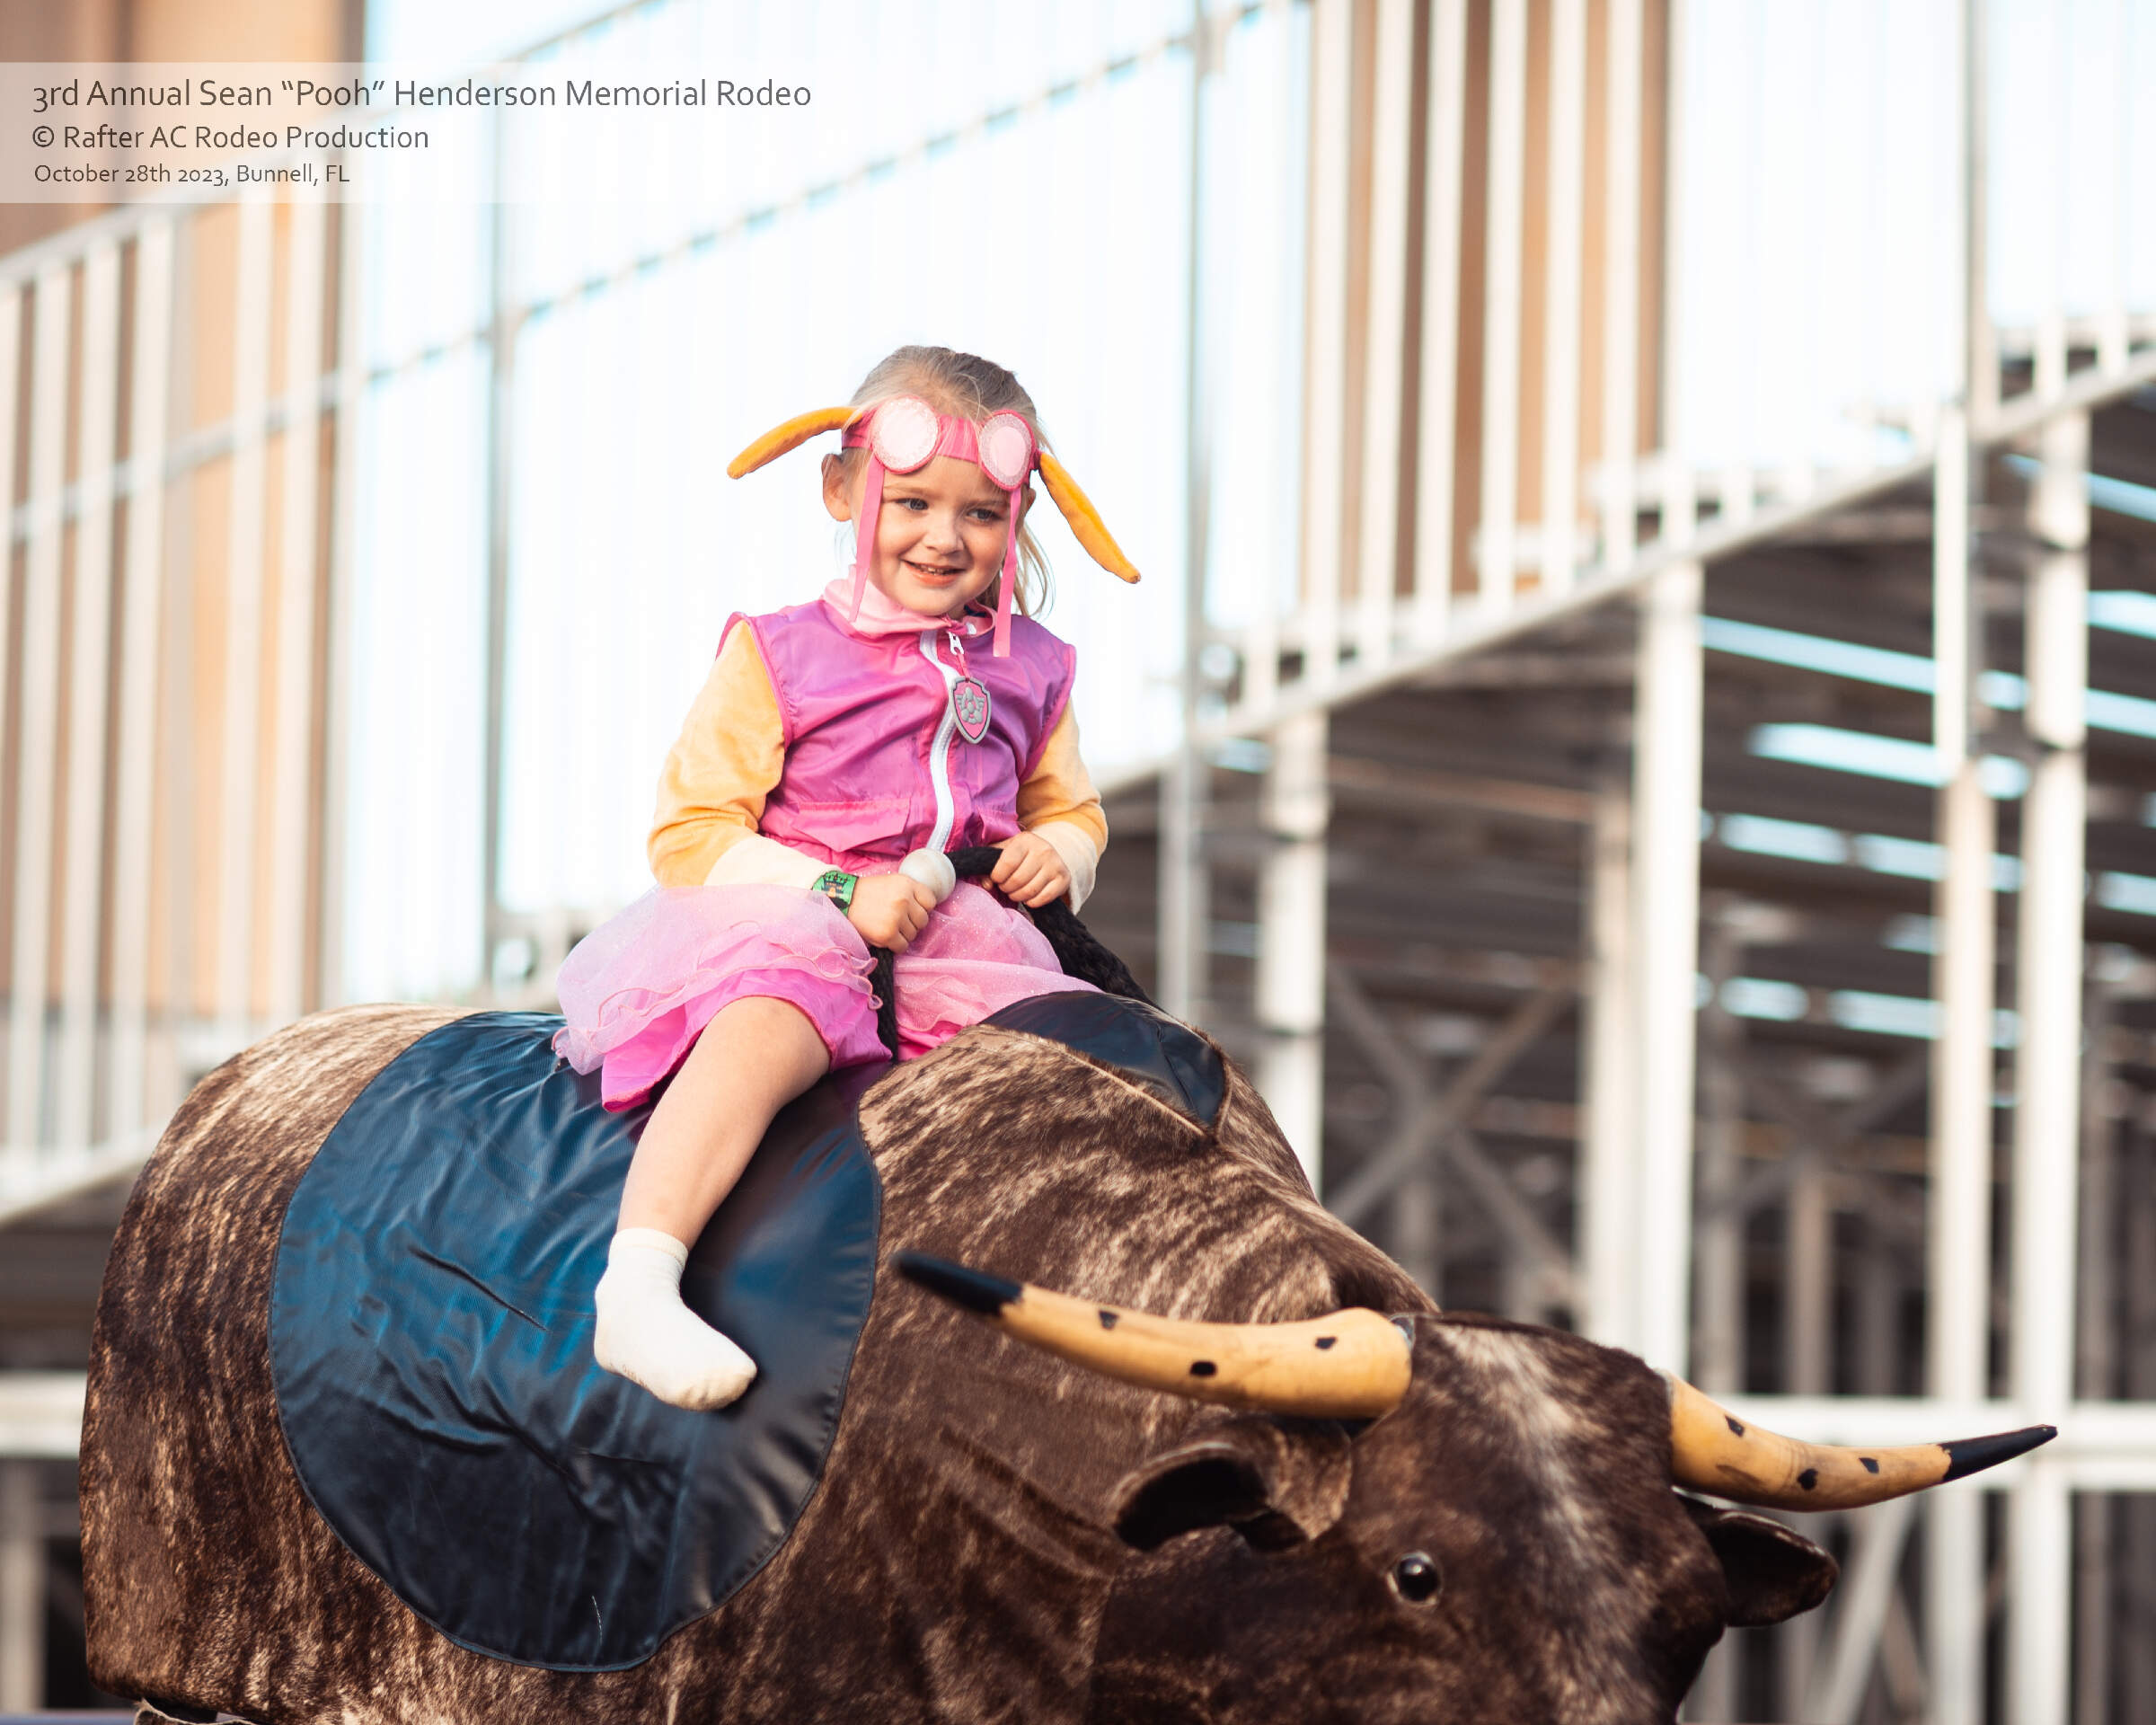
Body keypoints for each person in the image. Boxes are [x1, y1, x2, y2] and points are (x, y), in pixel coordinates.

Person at [553, 346, 1142, 1411]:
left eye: (981, 515)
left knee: (1078, 1072)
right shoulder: (778, 655)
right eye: (912, 503)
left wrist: (1060, 852)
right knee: (770, 1026)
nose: (944, 538)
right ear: (841, 488)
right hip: (796, 924)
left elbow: (1072, 808)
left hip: (966, 945)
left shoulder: (1036, 668)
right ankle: (639, 1280)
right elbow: (690, 833)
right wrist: (839, 894)